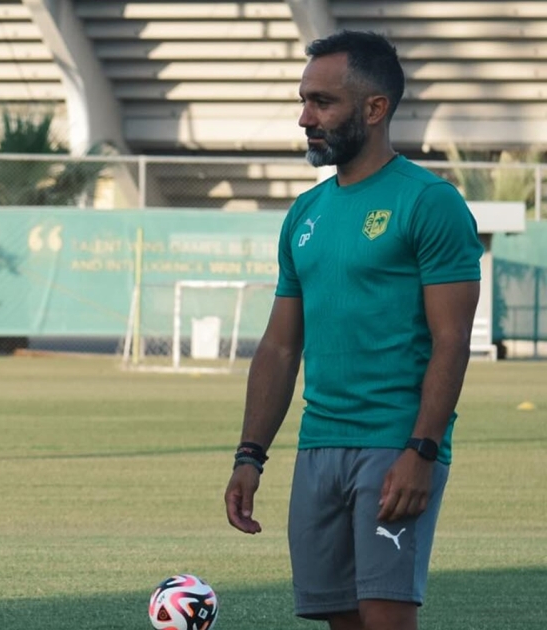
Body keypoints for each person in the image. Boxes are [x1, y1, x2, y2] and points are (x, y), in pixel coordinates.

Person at [222, 30, 483, 630]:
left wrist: (421, 451)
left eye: (322, 102)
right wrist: (249, 455)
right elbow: (280, 347)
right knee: (340, 619)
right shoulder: (305, 214)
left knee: (385, 616)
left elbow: (452, 341)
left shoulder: (429, 202)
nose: (304, 118)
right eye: (303, 100)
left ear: (375, 108)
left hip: (394, 444)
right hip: (318, 447)